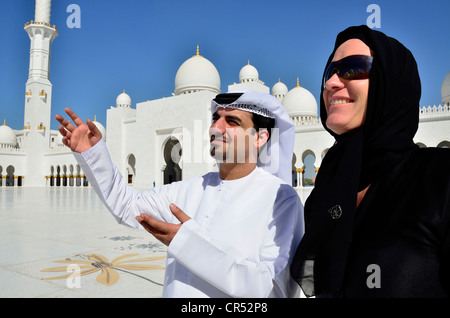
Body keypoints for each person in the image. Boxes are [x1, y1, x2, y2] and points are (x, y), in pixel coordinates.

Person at [56, 90, 303, 298]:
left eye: (232, 121)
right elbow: (127, 205)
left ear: (260, 137)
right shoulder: (190, 189)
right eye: (215, 118)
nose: (216, 127)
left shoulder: (279, 200)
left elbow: (270, 288)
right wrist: (93, 155)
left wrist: (187, 243)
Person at [291, 25, 450, 298]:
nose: (331, 83)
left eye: (353, 68)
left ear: (390, 82)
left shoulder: (440, 178)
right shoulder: (324, 197)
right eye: (330, 72)